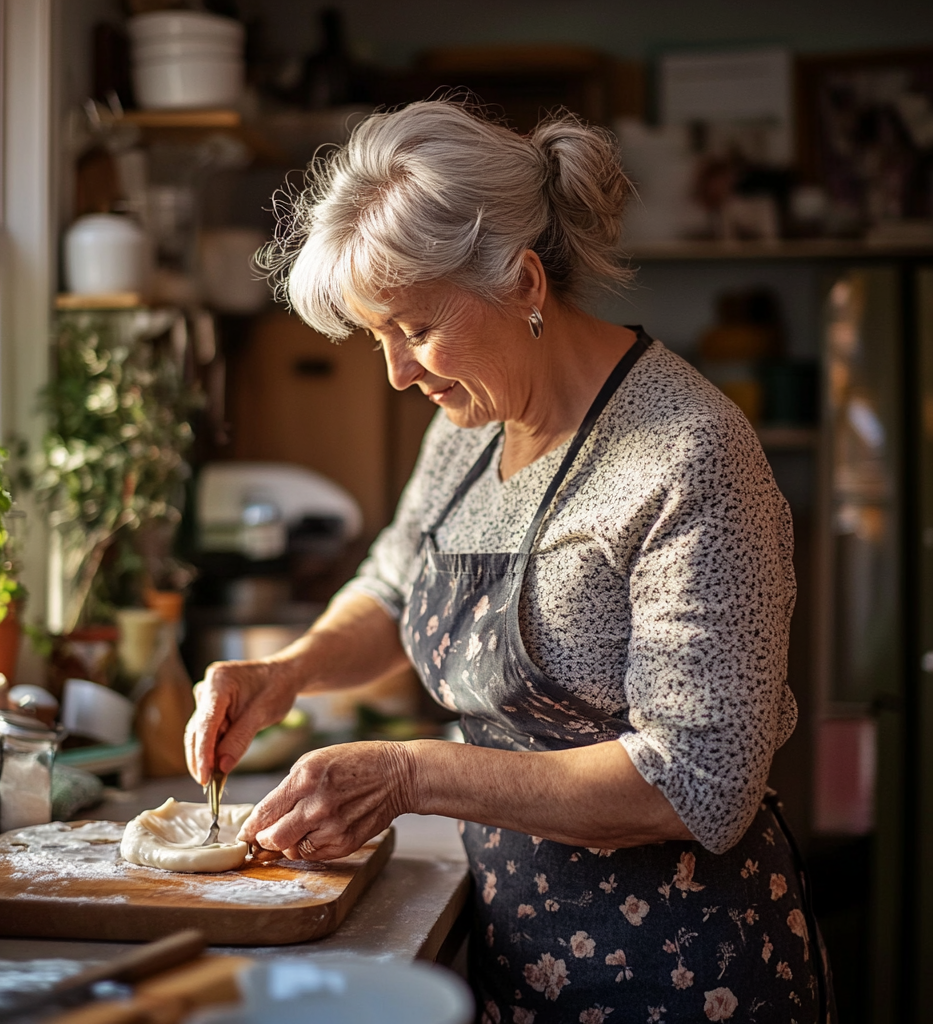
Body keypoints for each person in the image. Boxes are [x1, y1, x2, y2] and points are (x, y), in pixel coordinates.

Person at [185, 99, 834, 1023]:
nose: (397, 375)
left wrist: (410, 775)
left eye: (412, 329)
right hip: (517, 949)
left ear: (525, 282)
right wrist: (285, 673)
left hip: (684, 975)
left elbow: (699, 783)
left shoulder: (690, 456)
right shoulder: (469, 427)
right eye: (377, 338)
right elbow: (392, 583)